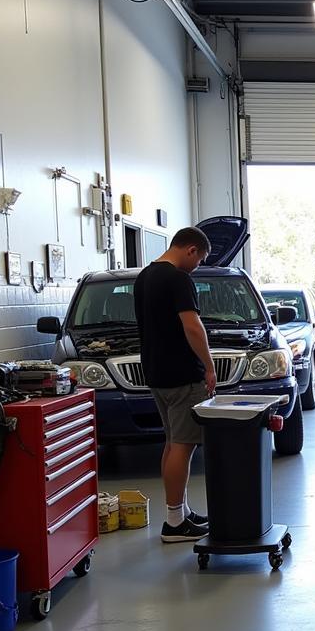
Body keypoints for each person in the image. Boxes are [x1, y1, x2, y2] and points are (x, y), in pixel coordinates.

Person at [133, 227, 217, 543]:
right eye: (200, 259)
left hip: (155, 372)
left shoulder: (144, 277)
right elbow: (192, 327)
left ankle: (180, 513)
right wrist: (209, 368)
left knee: (172, 443)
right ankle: (173, 523)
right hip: (182, 374)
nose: (197, 266)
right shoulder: (178, 279)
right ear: (191, 250)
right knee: (184, 445)